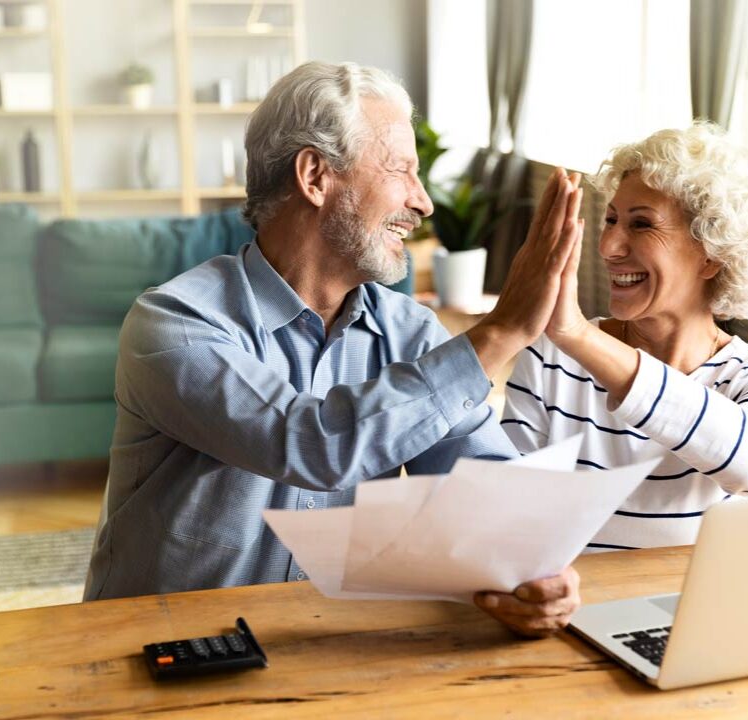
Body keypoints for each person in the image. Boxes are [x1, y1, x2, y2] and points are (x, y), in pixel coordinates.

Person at [84, 61, 584, 638]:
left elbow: (482, 487)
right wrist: (500, 333)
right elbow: (311, 444)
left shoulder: (410, 333)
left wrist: (532, 567)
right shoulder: (174, 323)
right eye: (401, 170)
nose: (422, 204)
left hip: (318, 645)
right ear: (315, 176)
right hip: (158, 649)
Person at [501, 122, 748, 551]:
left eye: (642, 224)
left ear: (712, 255)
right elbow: (508, 510)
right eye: (610, 220)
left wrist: (577, 336)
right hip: (569, 605)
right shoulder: (553, 357)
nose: (609, 245)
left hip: (697, 610)